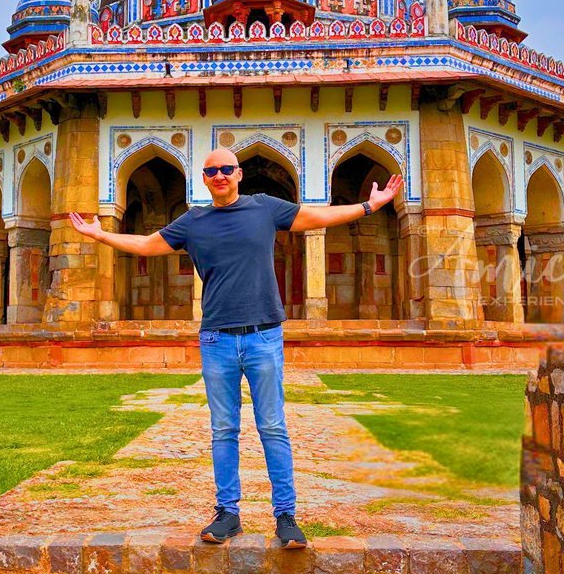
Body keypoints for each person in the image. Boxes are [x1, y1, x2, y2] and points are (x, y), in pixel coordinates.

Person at [69, 149, 403, 549]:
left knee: (273, 427)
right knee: (223, 429)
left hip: (264, 336)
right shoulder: (193, 222)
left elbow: (317, 217)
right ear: (204, 179)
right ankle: (228, 513)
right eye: (212, 171)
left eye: (227, 169)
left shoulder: (264, 208)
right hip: (217, 339)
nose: (220, 175)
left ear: (239, 173)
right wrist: (100, 234)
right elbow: (145, 243)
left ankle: (286, 516)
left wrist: (369, 206)